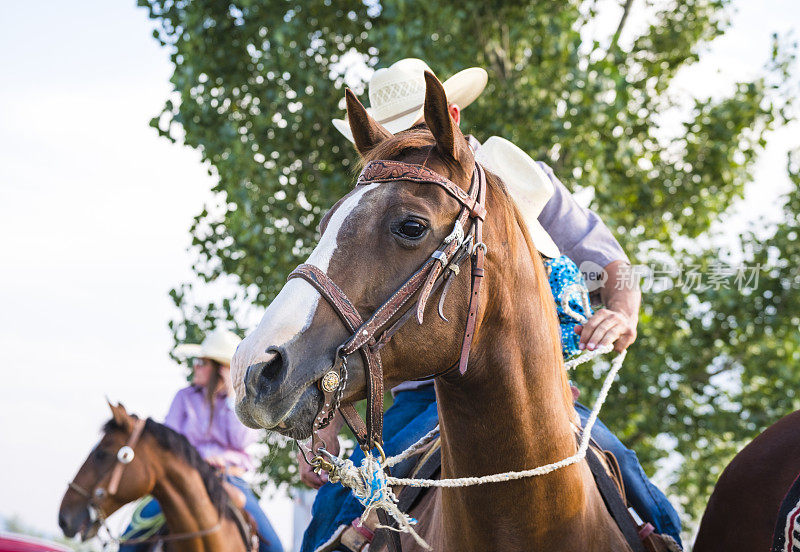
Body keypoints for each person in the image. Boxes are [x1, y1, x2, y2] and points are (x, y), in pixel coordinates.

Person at [299, 59, 681, 552]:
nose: (406, 152)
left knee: (631, 479)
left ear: (450, 117)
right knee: (336, 508)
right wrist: (323, 422)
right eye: (390, 140)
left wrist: (623, 311)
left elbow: (613, 262)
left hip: (537, 394)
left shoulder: (524, 180)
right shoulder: (378, 209)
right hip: (421, 398)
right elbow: (346, 309)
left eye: (416, 131)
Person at [119, 328, 284, 552]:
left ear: (221, 369)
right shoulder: (184, 397)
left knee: (274, 548)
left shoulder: (241, 403)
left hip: (229, 479)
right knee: (131, 538)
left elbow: (242, 440)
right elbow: (169, 443)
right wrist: (199, 459)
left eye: (201, 362)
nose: (195, 366)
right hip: (185, 479)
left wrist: (232, 397)